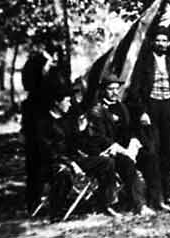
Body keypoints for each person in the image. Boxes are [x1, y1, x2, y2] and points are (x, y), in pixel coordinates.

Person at [35, 81, 118, 219]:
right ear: (57, 102)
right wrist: (70, 163)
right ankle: (56, 210)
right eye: (67, 101)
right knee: (63, 172)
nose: (70, 104)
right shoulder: (44, 123)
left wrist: (83, 132)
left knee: (107, 162)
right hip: (52, 164)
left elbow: (78, 144)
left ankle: (105, 203)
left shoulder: (68, 119)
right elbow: (49, 152)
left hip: (74, 160)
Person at [128, 26, 170, 209]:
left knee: (168, 152)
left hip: (169, 108)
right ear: (153, 42)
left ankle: (167, 194)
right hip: (151, 108)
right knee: (153, 151)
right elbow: (135, 91)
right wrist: (142, 112)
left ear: (169, 43)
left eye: (165, 41)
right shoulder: (143, 63)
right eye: (158, 40)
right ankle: (155, 196)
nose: (161, 44)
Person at [81, 74, 156, 215]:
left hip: (124, 149)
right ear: (103, 90)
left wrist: (133, 142)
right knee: (127, 163)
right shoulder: (97, 110)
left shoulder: (122, 107)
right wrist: (122, 150)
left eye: (117, 89)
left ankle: (155, 199)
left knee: (149, 157)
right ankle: (139, 205)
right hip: (108, 152)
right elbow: (100, 138)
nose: (115, 92)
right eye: (111, 89)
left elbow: (129, 130)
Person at [21, 41, 66, 213]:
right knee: (34, 161)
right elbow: (29, 86)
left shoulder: (58, 67)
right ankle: (33, 201)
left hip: (53, 117)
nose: (56, 56)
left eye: (57, 53)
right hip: (35, 117)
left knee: (53, 156)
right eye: (53, 52)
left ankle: (56, 199)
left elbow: (60, 89)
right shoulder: (33, 63)